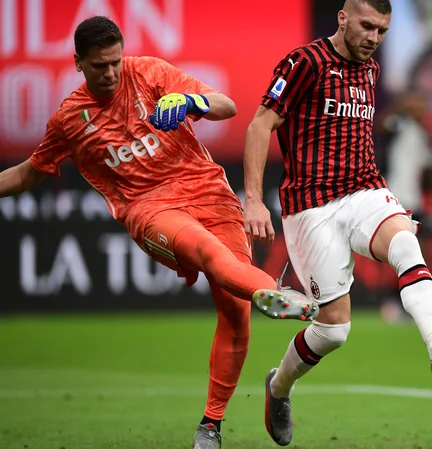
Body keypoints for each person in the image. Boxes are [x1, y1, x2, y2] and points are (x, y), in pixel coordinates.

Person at [0, 16, 318, 449]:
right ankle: (272, 292)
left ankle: (210, 425)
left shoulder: (148, 72)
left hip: (210, 192)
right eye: (98, 66)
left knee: (234, 310)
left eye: (115, 61)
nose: (110, 72)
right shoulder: (69, 121)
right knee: (206, 252)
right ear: (78, 64)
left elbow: (225, 104)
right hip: (150, 207)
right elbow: (26, 174)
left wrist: (190, 103)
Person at [242, 0, 432, 446]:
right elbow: (260, 126)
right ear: (343, 18)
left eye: (383, 31)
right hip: (310, 205)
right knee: (334, 330)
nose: (374, 37)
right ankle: (279, 387)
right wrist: (253, 200)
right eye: (367, 26)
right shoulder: (304, 62)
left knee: (406, 243)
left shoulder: (370, 69)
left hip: (365, 190)